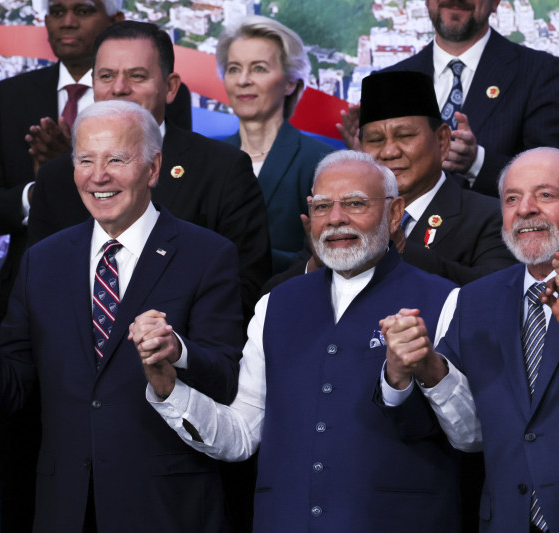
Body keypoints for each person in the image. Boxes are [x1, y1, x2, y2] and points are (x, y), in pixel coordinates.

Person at [0, 100, 244, 532]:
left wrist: (177, 352)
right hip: (65, 509)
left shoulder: (206, 255)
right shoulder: (42, 261)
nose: (98, 175)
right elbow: (12, 391)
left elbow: (226, 379)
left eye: (116, 159)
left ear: (153, 167)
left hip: (166, 508)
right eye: (85, 160)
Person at [144, 150, 464, 532]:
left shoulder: (446, 299)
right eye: (322, 206)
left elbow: (471, 434)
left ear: (395, 213)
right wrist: (168, 389)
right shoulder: (275, 304)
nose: (335, 219)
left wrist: (429, 369)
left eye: (355, 204)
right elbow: (242, 434)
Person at [28, 20, 271, 326]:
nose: (119, 88)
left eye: (137, 76)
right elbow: (36, 295)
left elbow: (244, 292)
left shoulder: (222, 169)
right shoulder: (57, 177)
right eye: (106, 76)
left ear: (170, 87)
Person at [382, 146, 559, 532]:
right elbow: (463, 434)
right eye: (512, 198)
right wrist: (422, 368)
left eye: (545, 195)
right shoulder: (472, 300)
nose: (525, 209)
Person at [342, 0, 559, 197]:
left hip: (495, 235)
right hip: (408, 237)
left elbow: (550, 177)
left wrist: (477, 163)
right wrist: (368, 162)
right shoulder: (386, 80)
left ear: (495, 3)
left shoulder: (540, 72)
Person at [357, 70, 515, 285]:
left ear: (442, 141)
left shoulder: (493, 218)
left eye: (405, 136)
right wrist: (319, 263)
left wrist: (400, 247)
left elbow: (495, 293)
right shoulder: (343, 215)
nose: (389, 152)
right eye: (375, 140)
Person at [217, 15, 333, 274]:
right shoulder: (208, 160)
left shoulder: (322, 161)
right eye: (234, 68)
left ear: (291, 82)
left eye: (259, 68)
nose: (243, 80)